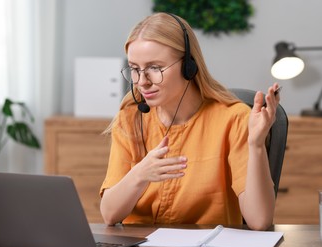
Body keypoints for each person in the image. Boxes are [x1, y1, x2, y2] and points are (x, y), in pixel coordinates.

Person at [99, 12, 280, 231]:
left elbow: (259, 221)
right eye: (135, 69)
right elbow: (109, 214)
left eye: (155, 68)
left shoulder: (233, 118)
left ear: (188, 66)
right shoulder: (131, 117)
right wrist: (140, 174)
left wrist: (256, 144)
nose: (142, 82)